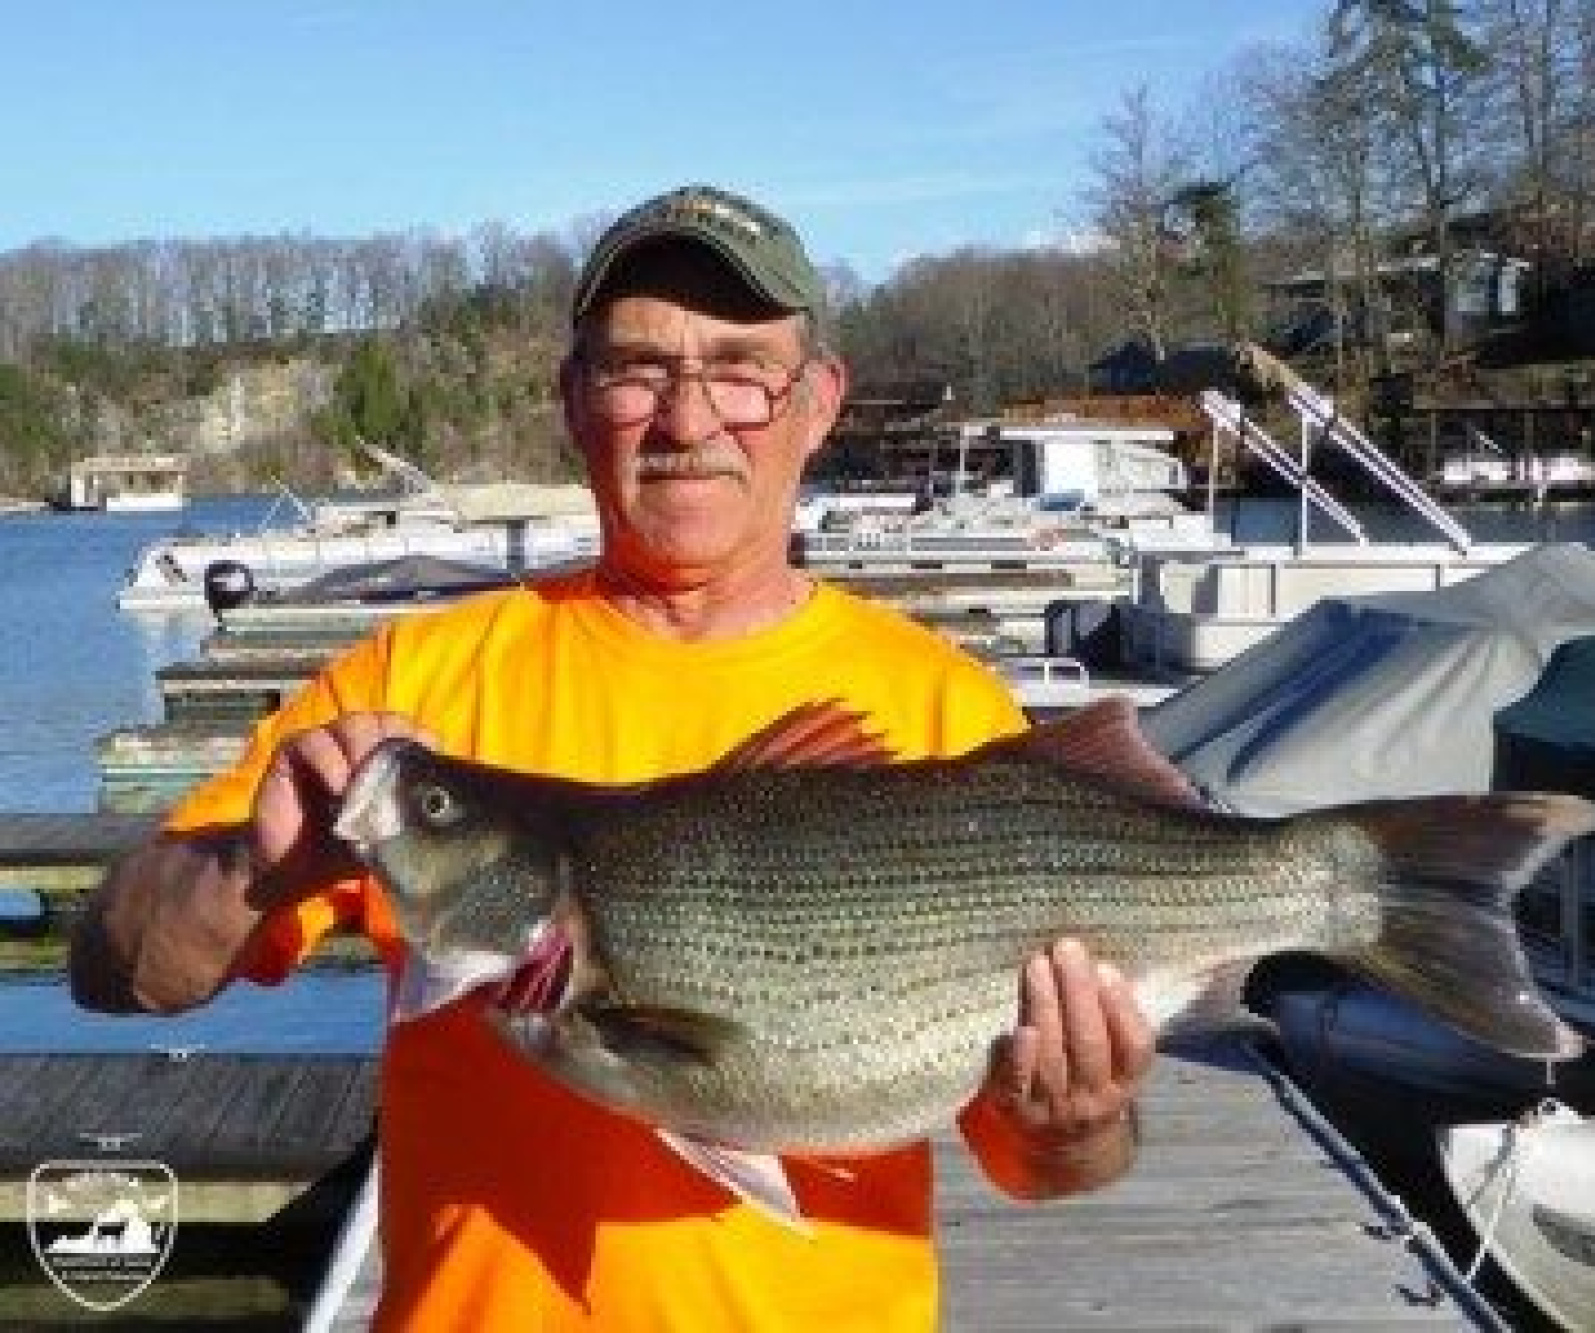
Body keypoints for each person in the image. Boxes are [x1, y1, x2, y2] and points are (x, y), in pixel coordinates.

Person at [70, 184, 1156, 1331]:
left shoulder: (942, 706)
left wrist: (1077, 1120)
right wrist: (254, 865)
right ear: (575, 398)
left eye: (742, 369)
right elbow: (118, 967)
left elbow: (1040, 1171)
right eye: (639, 369)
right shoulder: (413, 693)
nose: (690, 421)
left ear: (819, 401)